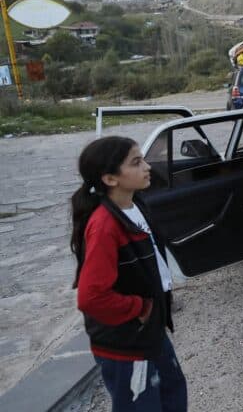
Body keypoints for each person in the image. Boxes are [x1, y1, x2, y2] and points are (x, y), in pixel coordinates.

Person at [71, 136, 187, 412]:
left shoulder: (136, 206)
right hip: (126, 345)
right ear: (110, 178)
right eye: (136, 162)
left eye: (143, 159)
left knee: (173, 394)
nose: (147, 167)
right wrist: (142, 307)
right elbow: (91, 298)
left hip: (150, 332)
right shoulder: (104, 226)